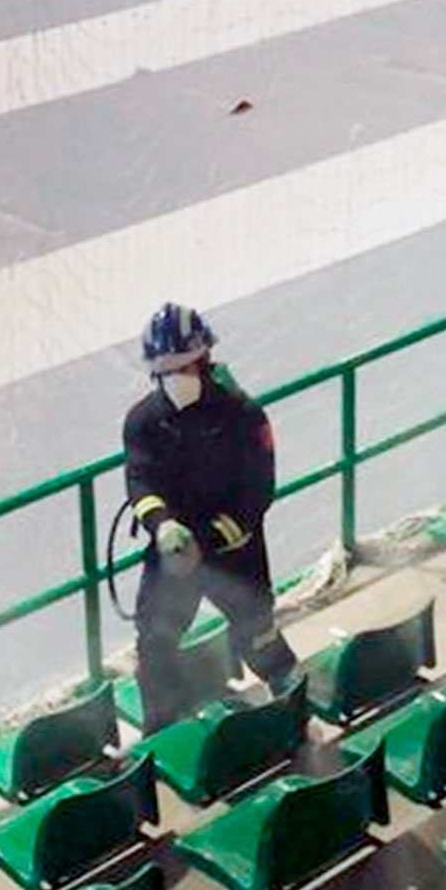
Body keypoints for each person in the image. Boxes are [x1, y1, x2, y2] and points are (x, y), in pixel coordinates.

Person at [122, 303, 298, 732]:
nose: (177, 377)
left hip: (233, 553)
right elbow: (141, 481)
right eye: (167, 370)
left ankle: (294, 704)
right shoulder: (143, 422)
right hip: (174, 555)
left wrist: (208, 538)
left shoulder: (241, 414)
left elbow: (258, 489)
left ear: (204, 360)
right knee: (156, 644)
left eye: (183, 366)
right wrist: (162, 524)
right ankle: (159, 733)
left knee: (258, 635)